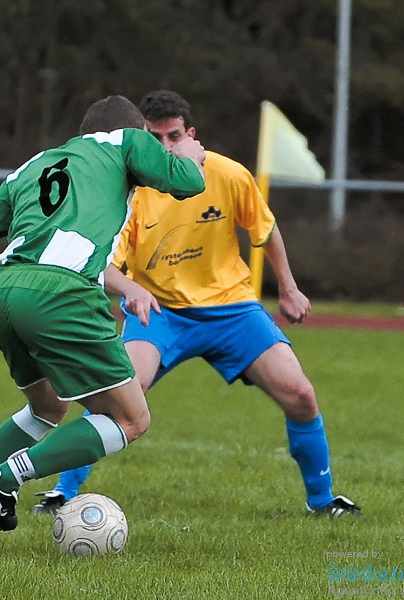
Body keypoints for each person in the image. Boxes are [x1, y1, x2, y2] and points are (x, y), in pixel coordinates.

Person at [30, 90, 360, 518]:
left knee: (300, 394)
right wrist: (131, 288)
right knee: (112, 398)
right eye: (154, 138)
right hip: (160, 314)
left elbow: (266, 230)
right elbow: (104, 265)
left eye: (173, 137)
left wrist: (289, 287)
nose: (165, 147)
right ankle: (62, 492)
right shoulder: (129, 188)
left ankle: (323, 502)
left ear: (191, 135)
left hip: (232, 309)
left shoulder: (227, 174)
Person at [0, 95, 207, 550]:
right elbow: (184, 183)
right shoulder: (126, 141)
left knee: (47, 408)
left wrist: (9, 284)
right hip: (64, 294)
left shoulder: (33, 165)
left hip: (5, 291)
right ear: (133, 130)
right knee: (131, 418)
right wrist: (190, 158)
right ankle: (4, 477)